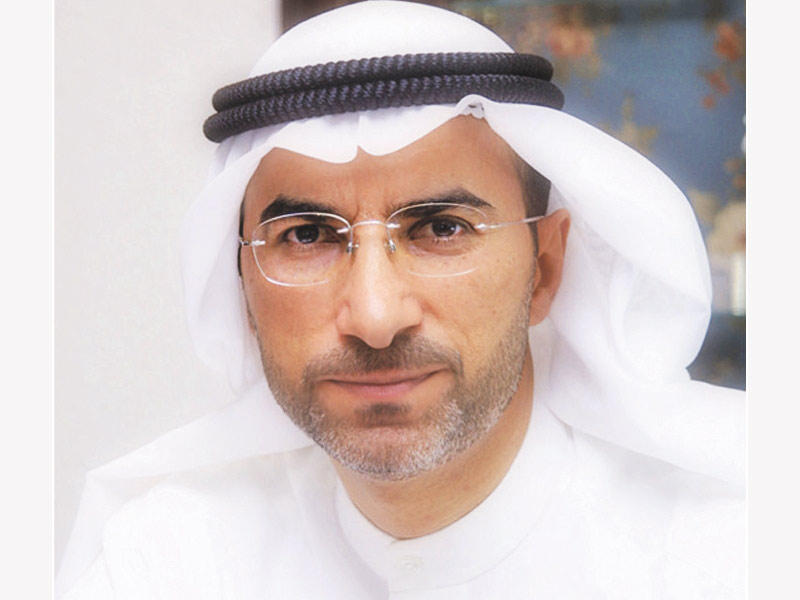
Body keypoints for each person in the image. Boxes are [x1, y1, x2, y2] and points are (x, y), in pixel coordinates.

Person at [57, 2, 744, 598]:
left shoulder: (734, 553)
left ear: (545, 268)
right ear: (240, 285)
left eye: (441, 229)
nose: (376, 317)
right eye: (306, 236)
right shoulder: (168, 561)